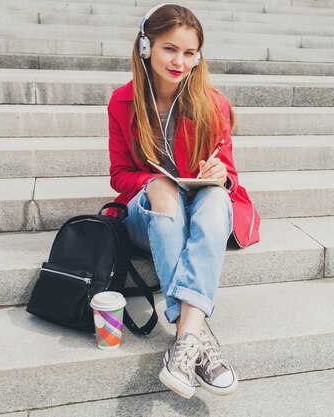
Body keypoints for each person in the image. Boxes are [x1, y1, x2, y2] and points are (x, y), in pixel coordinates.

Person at [107, 3, 260, 399]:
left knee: (213, 200)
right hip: (152, 215)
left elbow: (230, 176)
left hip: (201, 213)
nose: (180, 61)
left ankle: (186, 340)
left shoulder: (213, 104)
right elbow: (120, 176)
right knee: (161, 187)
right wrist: (155, 182)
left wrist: (219, 176)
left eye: (189, 52)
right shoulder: (122, 102)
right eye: (169, 49)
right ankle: (197, 338)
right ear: (146, 47)